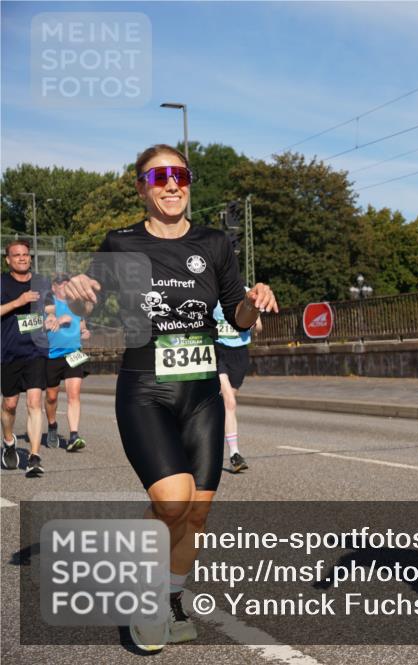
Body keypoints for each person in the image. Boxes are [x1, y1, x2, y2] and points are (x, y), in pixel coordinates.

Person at [62, 144, 278, 652]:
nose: (172, 184)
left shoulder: (215, 243)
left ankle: (170, 598)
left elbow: (237, 318)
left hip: (201, 392)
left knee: (196, 514)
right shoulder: (121, 243)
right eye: (159, 176)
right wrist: (75, 294)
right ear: (142, 187)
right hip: (145, 389)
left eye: (180, 174)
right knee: (172, 500)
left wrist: (252, 301)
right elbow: (87, 299)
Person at [1, 239, 49, 477]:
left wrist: (52, 318)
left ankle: (34, 456)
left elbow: (50, 307)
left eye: (25, 254)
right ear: (8, 260)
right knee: (10, 404)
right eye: (16, 255)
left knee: (34, 402)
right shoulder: (2, 282)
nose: (22, 258)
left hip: (36, 350)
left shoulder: (42, 281)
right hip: (9, 351)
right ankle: (9, 442)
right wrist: (18, 302)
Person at [212, 290, 262, 472]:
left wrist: (253, 321)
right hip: (217, 349)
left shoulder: (248, 293)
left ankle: (207, 428)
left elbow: (259, 327)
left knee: (225, 405)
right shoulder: (211, 291)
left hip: (239, 354)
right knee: (230, 402)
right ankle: (235, 454)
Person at [44, 273, 91, 452]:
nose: (64, 285)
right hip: (52, 356)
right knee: (51, 396)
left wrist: (85, 332)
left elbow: (82, 327)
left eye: (67, 283)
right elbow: (36, 326)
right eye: (60, 283)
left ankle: (74, 435)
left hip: (73, 354)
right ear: (53, 287)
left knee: (74, 394)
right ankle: (52, 425)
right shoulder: (48, 305)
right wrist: (56, 320)